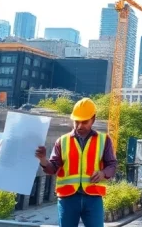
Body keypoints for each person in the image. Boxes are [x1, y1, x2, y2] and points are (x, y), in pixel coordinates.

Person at [35, 97, 116, 227]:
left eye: (84, 122)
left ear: (93, 120)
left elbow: (112, 165)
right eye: (76, 122)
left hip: (93, 197)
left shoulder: (104, 140)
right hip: (68, 199)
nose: (79, 126)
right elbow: (52, 168)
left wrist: (103, 173)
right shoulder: (62, 141)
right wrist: (43, 160)